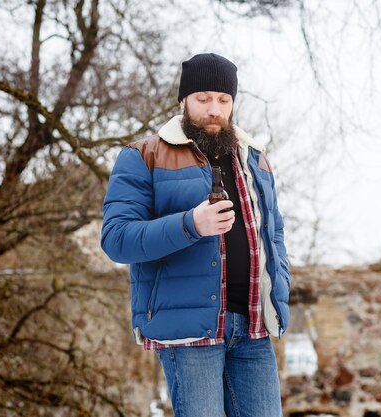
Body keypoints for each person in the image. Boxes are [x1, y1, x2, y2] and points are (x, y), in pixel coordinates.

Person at [101, 52, 291, 417]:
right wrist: (191, 224)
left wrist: (279, 286)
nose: (214, 109)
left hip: (253, 328)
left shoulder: (255, 159)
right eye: (203, 99)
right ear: (183, 101)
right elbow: (117, 238)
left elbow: (275, 232)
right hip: (189, 334)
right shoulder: (143, 156)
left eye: (223, 100)